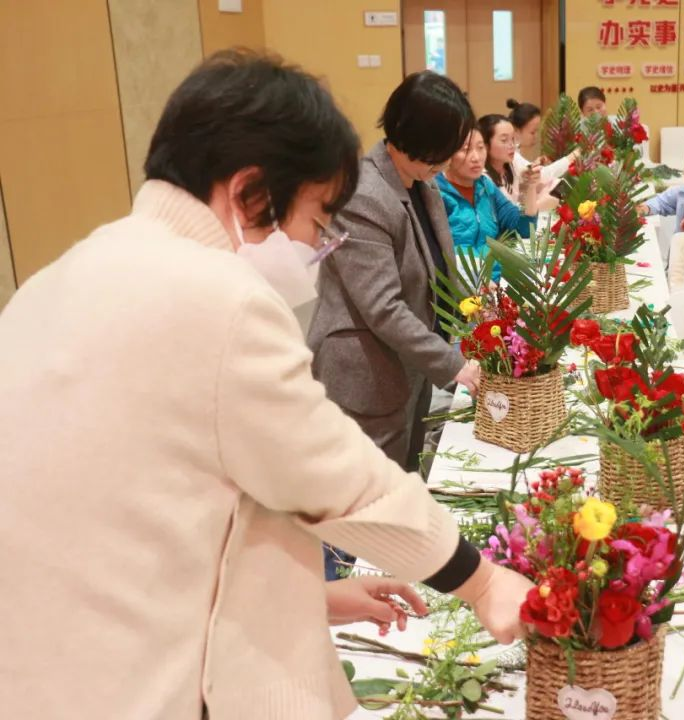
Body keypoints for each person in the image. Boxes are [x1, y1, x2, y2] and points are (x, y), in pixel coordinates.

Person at [0, 50, 531, 720]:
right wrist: (480, 581)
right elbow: (339, 478)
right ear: (251, 194)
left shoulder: (60, 276)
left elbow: (149, 512)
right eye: (317, 224)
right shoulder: (218, 298)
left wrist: (310, 598)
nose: (317, 250)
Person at [308, 72, 481, 494]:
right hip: (365, 372)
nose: (450, 158)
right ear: (415, 136)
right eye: (444, 146)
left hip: (408, 363)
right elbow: (382, 307)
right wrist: (453, 364)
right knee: (370, 494)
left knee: (405, 479)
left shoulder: (421, 180)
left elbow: (435, 267)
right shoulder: (364, 194)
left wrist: (475, 306)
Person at [437, 126, 539, 279]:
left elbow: (523, 228)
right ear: (447, 154)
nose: (476, 157)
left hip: (497, 280)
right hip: (461, 285)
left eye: (480, 148)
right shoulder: (436, 193)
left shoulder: (485, 186)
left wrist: (530, 187)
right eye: (465, 150)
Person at [506, 98, 574, 201]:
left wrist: (534, 165)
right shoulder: (512, 155)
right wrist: (572, 157)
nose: (536, 136)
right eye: (532, 132)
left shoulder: (516, 152)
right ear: (516, 130)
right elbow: (543, 175)